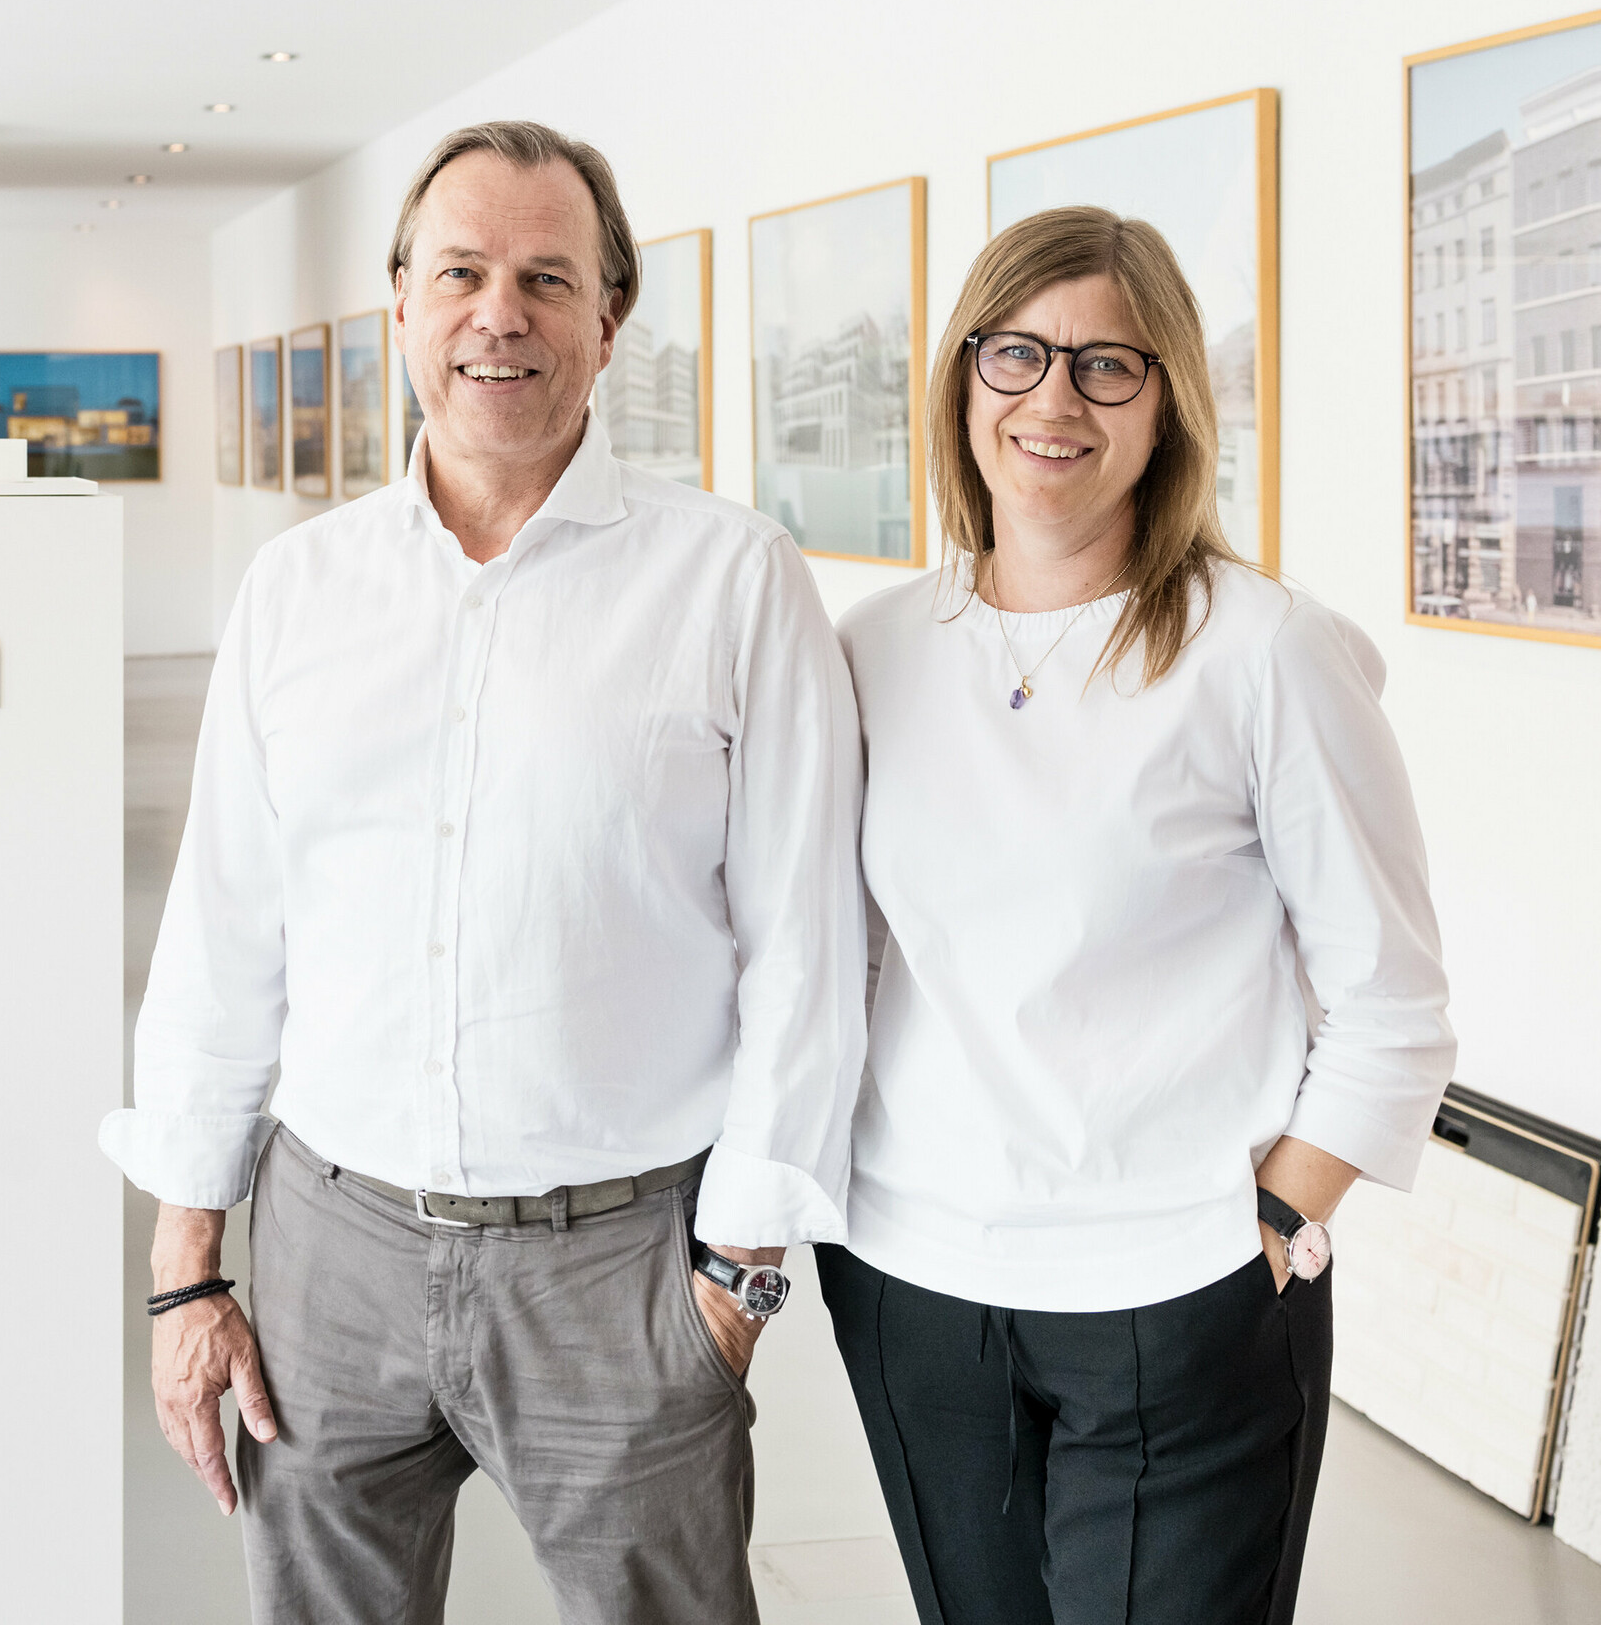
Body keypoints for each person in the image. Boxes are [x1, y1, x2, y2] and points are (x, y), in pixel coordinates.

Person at [100, 120, 864, 1624]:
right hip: (329, 1253)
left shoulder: (730, 578)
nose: (495, 313)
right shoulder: (297, 590)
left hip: (625, 1271)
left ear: (608, 317)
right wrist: (189, 1270)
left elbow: (809, 946)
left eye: (543, 277)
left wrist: (736, 1282)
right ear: (401, 302)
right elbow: (223, 934)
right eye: (459, 273)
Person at [820, 206, 1457, 1625]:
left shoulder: (1265, 651)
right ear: (961, 378)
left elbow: (1395, 1002)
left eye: (1109, 365)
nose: (1054, 399)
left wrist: (1278, 1219)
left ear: (1167, 401)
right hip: (918, 1289)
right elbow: (846, 963)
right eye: (1019, 356)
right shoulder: (868, 654)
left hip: (1184, 1294)